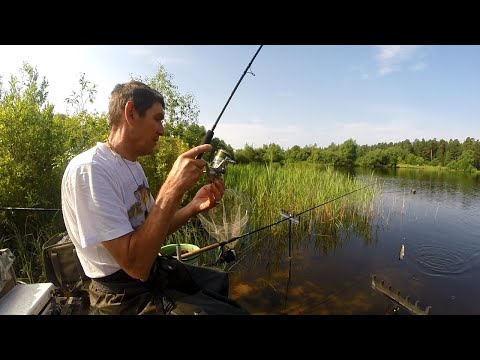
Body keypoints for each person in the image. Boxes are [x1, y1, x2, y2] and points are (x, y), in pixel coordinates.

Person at [61, 80, 248, 315]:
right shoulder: (90, 170)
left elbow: (153, 230)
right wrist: (172, 187)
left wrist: (193, 207)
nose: (162, 130)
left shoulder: (134, 167)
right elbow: (136, 266)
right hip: (123, 295)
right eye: (157, 119)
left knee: (219, 281)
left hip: (152, 272)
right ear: (130, 112)